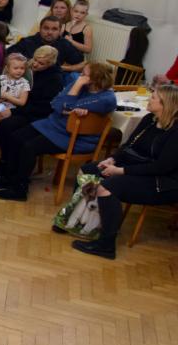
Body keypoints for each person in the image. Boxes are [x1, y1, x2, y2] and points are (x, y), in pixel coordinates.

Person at [69, 84, 177, 260]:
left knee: (108, 187)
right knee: (88, 170)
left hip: (162, 182)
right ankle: (75, 220)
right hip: (138, 167)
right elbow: (128, 145)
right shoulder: (149, 119)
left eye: (154, 97)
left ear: (166, 104)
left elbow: (161, 167)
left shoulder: (175, 131)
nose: (149, 99)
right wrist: (113, 159)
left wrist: (120, 170)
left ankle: (106, 245)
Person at [0, 63, 117, 202]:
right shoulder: (81, 85)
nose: (80, 77)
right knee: (16, 137)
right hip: (54, 125)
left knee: (29, 147)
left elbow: (67, 105)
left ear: (95, 78)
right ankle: (9, 177)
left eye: (84, 75)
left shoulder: (106, 98)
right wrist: (70, 105)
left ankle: (19, 189)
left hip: (75, 138)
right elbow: (56, 104)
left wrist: (75, 89)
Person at [7, 16, 84, 72]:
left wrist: (64, 68)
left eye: (54, 29)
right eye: (46, 28)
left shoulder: (64, 44)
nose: (49, 32)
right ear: (40, 29)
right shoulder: (27, 42)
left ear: (60, 31)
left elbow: (83, 64)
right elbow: (7, 56)